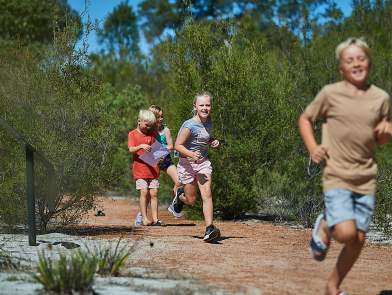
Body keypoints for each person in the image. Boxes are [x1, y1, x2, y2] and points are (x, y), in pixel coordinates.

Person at [298, 37, 391, 295]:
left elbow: (379, 136)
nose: (356, 63)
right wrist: (313, 147)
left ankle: (333, 287)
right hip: (337, 174)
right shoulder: (330, 93)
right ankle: (326, 224)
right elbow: (305, 119)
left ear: (369, 63)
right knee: (346, 233)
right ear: (341, 68)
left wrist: (386, 131)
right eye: (350, 60)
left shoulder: (380, 97)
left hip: (366, 178)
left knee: (358, 240)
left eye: (361, 58)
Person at [168, 92, 221, 242]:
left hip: (203, 163)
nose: (205, 108)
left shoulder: (209, 121)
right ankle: (180, 197)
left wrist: (213, 142)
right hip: (187, 165)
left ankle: (209, 228)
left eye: (208, 105)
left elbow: (205, 138)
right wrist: (191, 154)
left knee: (207, 194)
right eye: (202, 105)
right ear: (195, 106)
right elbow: (177, 146)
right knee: (191, 200)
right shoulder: (189, 125)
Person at [134, 105, 182, 225]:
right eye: (158, 117)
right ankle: (141, 215)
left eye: (162, 116)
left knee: (179, 181)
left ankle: (174, 205)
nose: (161, 119)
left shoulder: (166, 130)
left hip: (165, 160)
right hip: (151, 161)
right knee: (151, 191)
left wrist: (160, 151)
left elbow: (171, 146)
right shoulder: (147, 130)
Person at [128, 109, 164, 226]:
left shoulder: (153, 134)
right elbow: (131, 149)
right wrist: (141, 146)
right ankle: (144, 218)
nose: (148, 128)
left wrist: (160, 157)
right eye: (146, 125)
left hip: (153, 169)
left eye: (151, 126)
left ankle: (155, 219)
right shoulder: (132, 134)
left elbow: (159, 150)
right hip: (140, 169)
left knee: (154, 193)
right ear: (139, 121)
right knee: (144, 192)